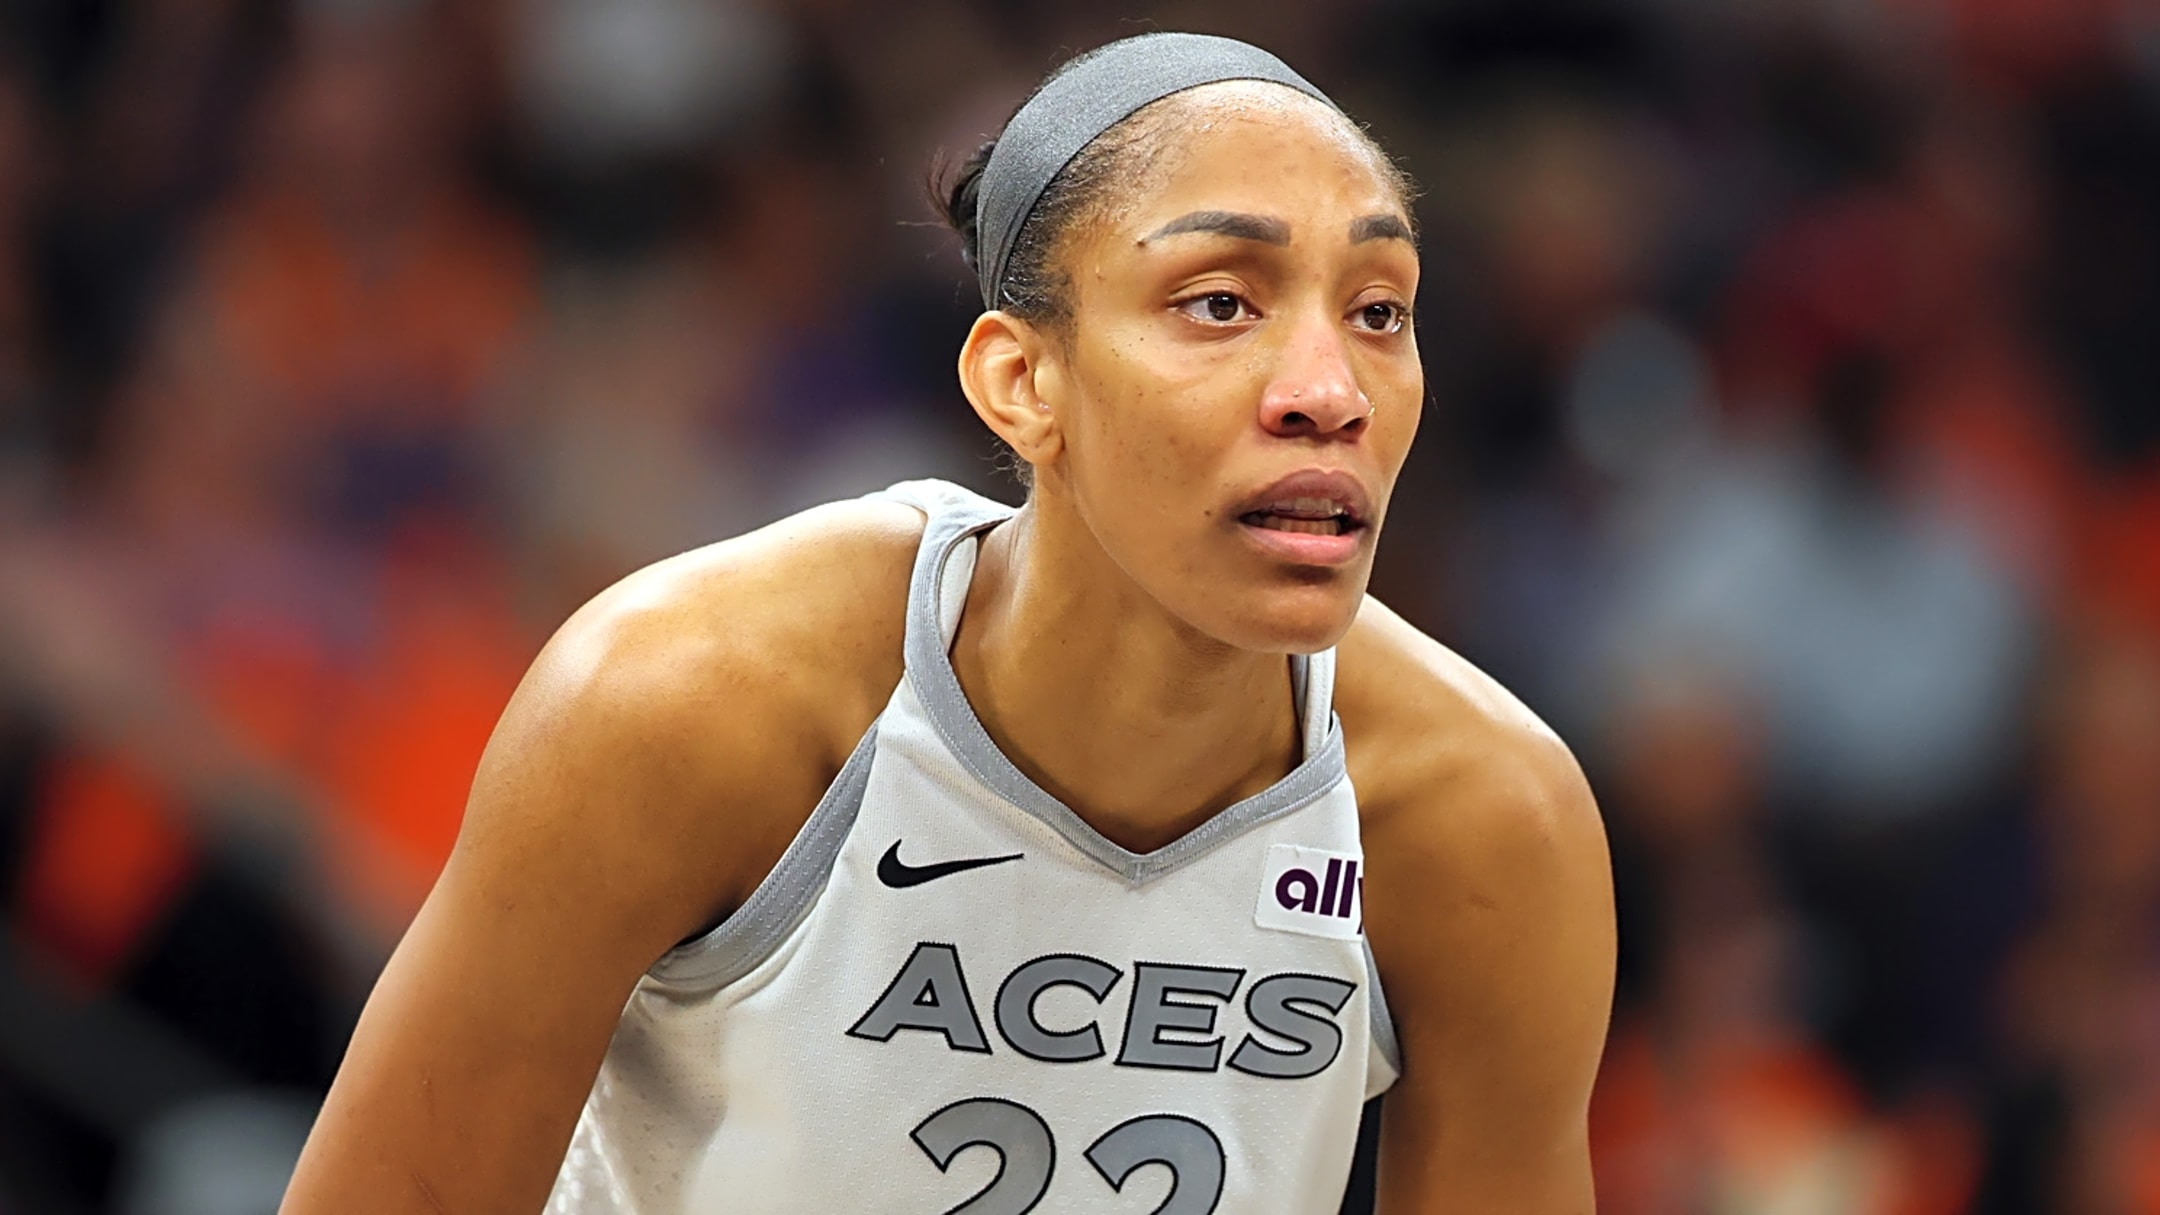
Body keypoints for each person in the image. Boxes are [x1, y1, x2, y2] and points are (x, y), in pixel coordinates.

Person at [280, 32, 1615, 1214]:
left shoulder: (1487, 817)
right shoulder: (687, 698)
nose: (1328, 388)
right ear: (1021, 382)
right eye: (1220, 303)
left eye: (1379, 311)